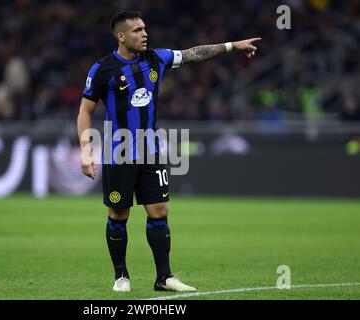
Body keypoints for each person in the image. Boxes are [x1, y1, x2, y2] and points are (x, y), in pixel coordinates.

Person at [77, 11, 260, 292]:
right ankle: (121, 276)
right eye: (137, 30)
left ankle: (164, 278)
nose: (145, 34)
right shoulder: (102, 69)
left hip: (152, 152)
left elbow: (193, 54)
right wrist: (86, 150)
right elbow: (85, 111)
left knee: (159, 211)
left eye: (145, 28)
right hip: (119, 153)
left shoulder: (157, 58)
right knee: (118, 214)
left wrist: (232, 46)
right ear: (121, 36)